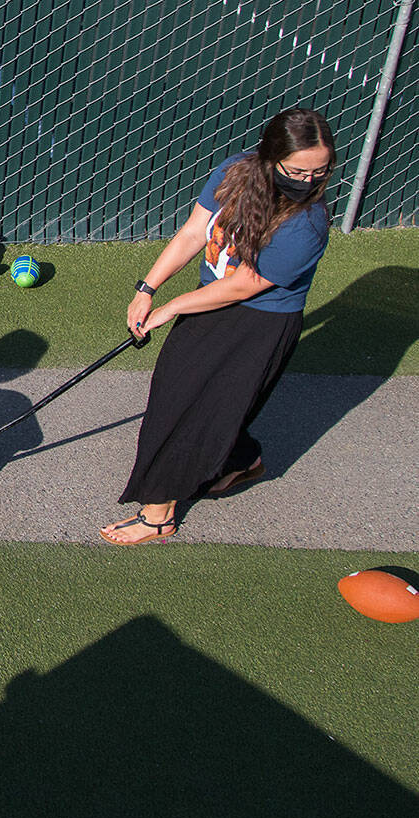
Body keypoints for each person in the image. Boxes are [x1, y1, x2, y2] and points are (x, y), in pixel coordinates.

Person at [100, 107, 335, 545]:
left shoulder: (307, 223)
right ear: (269, 157)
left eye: (319, 173)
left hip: (260, 325)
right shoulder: (233, 172)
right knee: (188, 397)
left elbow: (243, 286)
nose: (308, 183)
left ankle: (159, 514)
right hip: (211, 303)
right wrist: (147, 288)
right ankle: (240, 462)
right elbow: (194, 232)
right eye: (297, 171)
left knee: (189, 410)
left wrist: (172, 309)